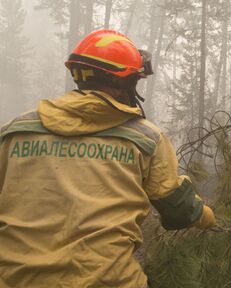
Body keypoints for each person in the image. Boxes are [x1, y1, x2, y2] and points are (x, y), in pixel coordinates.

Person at [0, 29, 216, 288]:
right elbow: (179, 210)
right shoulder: (146, 138)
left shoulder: (15, 131)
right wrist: (207, 217)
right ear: (126, 83)